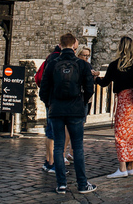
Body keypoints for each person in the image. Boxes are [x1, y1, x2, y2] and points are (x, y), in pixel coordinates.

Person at [38, 33, 97, 194]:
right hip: (75, 109)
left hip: (56, 109)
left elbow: (43, 89)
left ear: (60, 44)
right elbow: (90, 88)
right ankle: (82, 184)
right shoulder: (81, 64)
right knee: (77, 147)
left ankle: (61, 184)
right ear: (74, 46)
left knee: (58, 147)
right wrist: (82, 101)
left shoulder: (52, 63)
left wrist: (50, 103)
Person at [95, 36, 133, 178]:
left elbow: (104, 83)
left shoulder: (115, 64)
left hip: (124, 101)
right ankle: (131, 166)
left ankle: (122, 168)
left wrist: (95, 78)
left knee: (121, 134)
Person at [39, 43, 62, 173]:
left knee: (50, 132)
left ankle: (48, 161)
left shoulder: (50, 58)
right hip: (55, 101)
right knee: (54, 133)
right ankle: (52, 163)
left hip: (50, 100)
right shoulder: (56, 60)